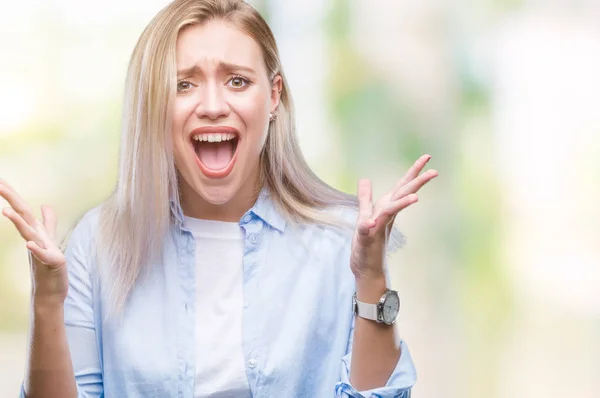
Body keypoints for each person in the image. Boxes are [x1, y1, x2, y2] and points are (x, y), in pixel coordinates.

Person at [0, 0, 438, 397]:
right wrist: (47, 301)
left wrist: (371, 278)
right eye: (184, 84)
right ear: (153, 104)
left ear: (274, 97)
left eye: (237, 80)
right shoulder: (97, 244)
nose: (212, 105)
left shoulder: (339, 240)